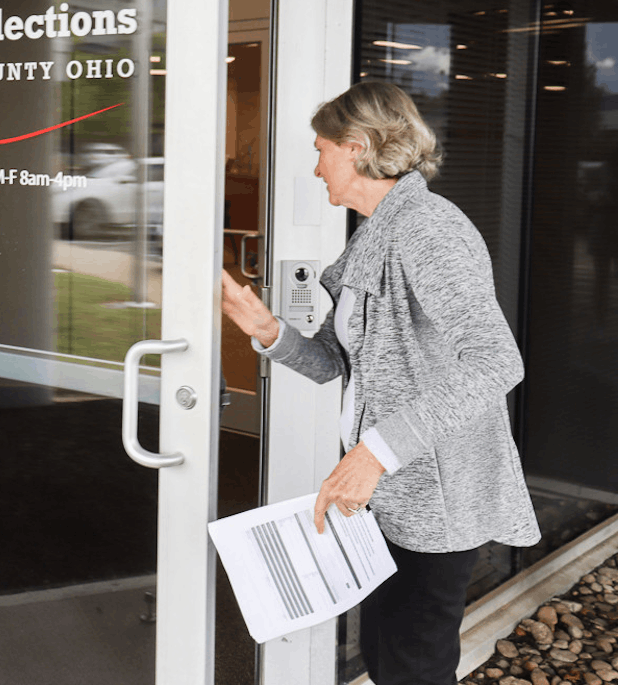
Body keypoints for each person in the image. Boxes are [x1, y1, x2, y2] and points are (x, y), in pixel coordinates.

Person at [221, 81, 540, 685]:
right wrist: (266, 329)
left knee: (413, 666)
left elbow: (497, 362)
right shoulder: (377, 231)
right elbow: (338, 363)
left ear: (357, 146)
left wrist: (374, 453)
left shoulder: (428, 230)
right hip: (389, 497)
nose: (315, 167)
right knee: (387, 658)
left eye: (320, 150)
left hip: (434, 500)